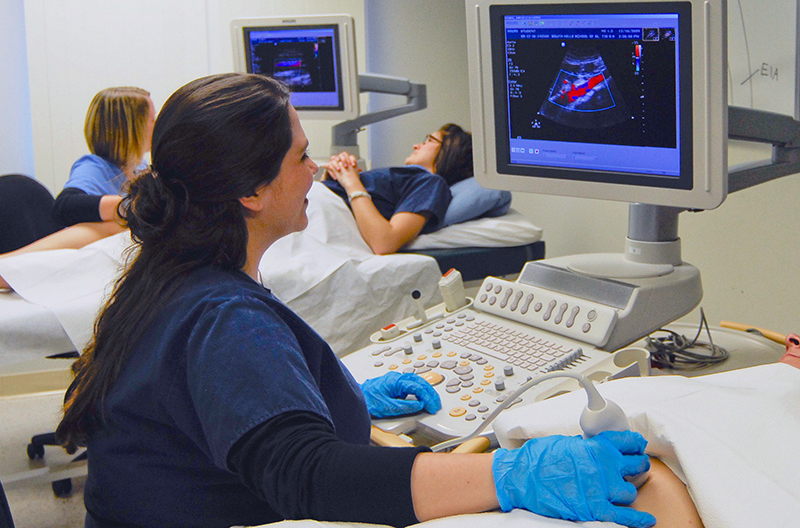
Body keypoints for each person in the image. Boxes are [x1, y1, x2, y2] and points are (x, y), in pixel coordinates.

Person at [55, 73, 653, 528]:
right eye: (299, 157)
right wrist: (513, 475)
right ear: (251, 192)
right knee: (651, 491)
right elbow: (308, 475)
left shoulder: (165, 279)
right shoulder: (223, 315)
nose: (316, 171)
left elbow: (200, 405)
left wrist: (322, 399)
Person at [322, 124, 507, 254]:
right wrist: (335, 174)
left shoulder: (431, 183)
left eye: (429, 140)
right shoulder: (410, 178)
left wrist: (351, 181)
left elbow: (384, 242)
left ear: (450, 152)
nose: (416, 145)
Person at [52, 86, 156, 227]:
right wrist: (132, 206)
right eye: (152, 121)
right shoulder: (93, 168)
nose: (156, 126)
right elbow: (64, 207)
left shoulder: (139, 166)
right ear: (130, 129)